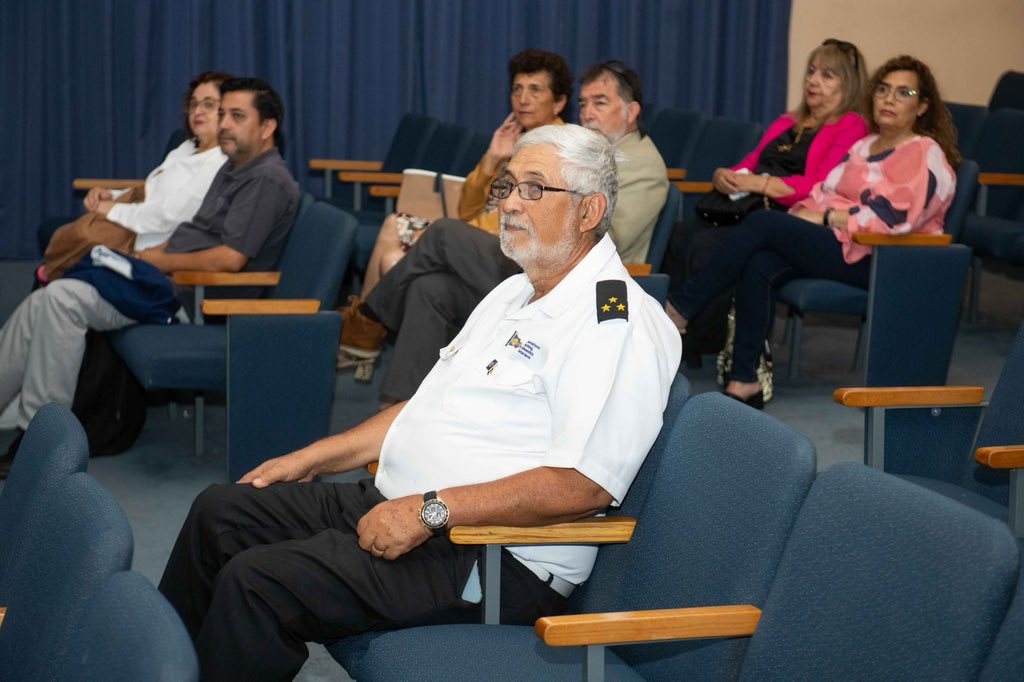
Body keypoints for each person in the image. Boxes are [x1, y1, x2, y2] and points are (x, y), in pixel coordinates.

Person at [158, 124, 681, 681]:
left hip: (492, 556)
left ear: (589, 210)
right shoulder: (515, 288)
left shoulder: (615, 322)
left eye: (534, 189)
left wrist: (431, 510)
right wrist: (315, 457)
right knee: (220, 512)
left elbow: (584, 484)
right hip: (407, 502)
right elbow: (424, 406)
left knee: (259, 583)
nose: (508, 204)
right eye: (507, 187)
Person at [0, 77, 300, 476]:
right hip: (168, 279)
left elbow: (230, 259)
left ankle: (40, 441)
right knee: (45, 298)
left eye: (237, 116)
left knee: (61, 300)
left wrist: (157, 260)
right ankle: (24, 418)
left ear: (267, 128)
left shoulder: (266, 180)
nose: (224, 124)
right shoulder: (235, 168)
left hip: (195, 298)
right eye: (222, 114)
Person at [341, 60, 669, 405]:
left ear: (631, 111)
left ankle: (367, 323)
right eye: (584, 104)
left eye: (599, 103)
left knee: (443, 234)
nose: (587, 113)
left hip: (575, 287)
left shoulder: (643, 165)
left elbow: (604, 238)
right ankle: (399, 408)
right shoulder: (574, 151)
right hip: (534, 266)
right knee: (430, 287)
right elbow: (474, 208)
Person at [666, 55, 959, 408]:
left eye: (904, 92)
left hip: (884, 258)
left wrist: (824, 218)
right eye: (883, 89)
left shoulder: (925, 153)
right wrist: (810, 212)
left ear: (923, 106)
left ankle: (681, 308)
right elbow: (825, 190)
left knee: (762, 223)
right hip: (843, 245)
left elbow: (895, 219)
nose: (889, 99)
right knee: (759, 261)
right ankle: (744, 381)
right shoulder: (865, 146)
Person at [667, 39, 869, 366]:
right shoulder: (789, 120)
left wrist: (763, 184)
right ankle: (679, 336)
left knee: (707, 244)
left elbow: (821, 183)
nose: (813, 81)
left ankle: (699, 333)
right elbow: (752, 159)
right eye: (812, 72)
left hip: (785, 215)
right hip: (746, 204)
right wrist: (726, 174)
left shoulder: (851, 126)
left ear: (849, 85)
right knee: (681, 234)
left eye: (828, 75)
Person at [357, 49, 572, 300]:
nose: (523, 99)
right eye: (517, 89)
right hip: (467, 229)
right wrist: (492, 158)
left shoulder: (562, 149)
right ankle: (363, 326)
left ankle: (364, 326)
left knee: (393, 257)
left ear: (558, 102)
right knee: (393, 227)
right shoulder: (512, 138)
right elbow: (466, 208)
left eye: (535, 90)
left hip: (498, 243)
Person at [41, 71, 233, 281]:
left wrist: (113, 211)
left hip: (149, 246)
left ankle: (51, 281)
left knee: (61, 246)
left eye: (208, 104)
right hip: (134, 225)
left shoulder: (220, 162)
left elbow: (171, 214)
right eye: (193, 104)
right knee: (56, 239)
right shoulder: (185, 147)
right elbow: (152, 189)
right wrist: (111, 196)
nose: (198, 111)